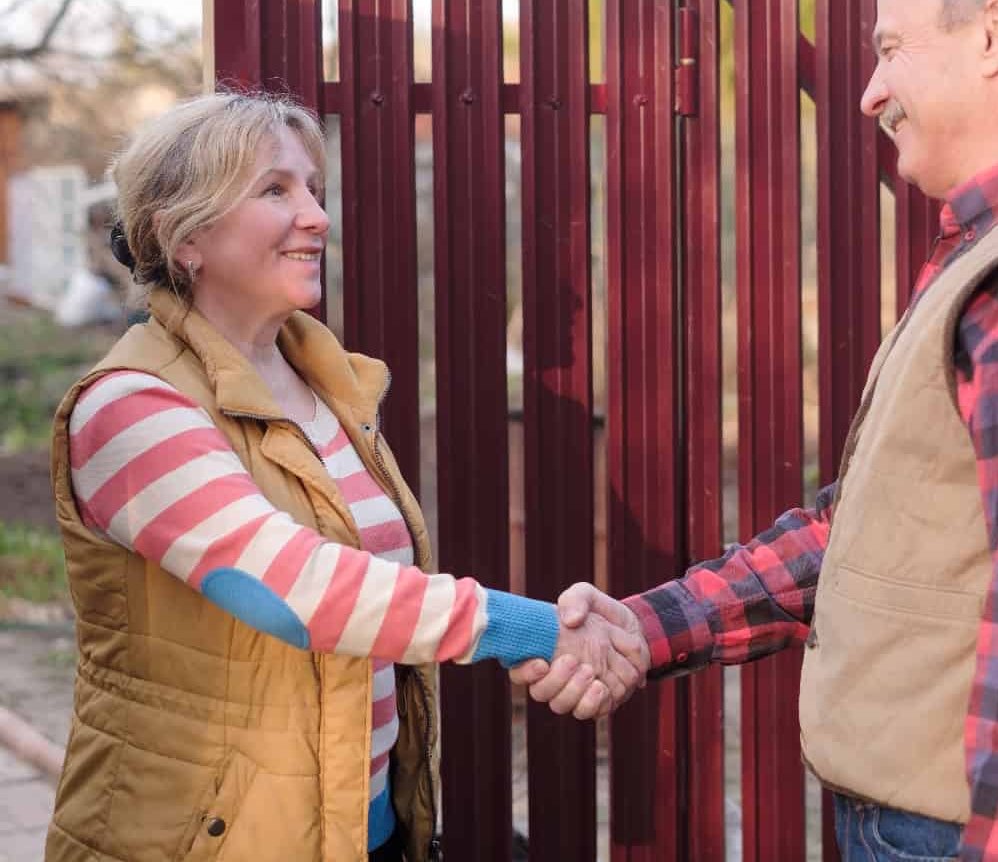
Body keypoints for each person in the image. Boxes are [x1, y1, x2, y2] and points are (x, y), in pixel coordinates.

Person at [517, 0, 998, 862]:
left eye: (891, 49)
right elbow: (882, 534)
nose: (869, 92)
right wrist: (646, 630)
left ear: (993, 36)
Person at [45, 91, 643, 862]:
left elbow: (373, 609)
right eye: (274, 190)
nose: (317, 217)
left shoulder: (324, 385)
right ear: (183, 236)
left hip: (359, 828)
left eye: (313, 190)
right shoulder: (131, 409)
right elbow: (292, 592)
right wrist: (533, 630)